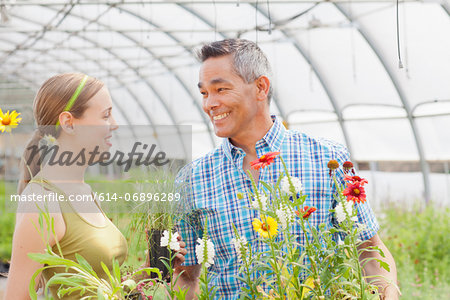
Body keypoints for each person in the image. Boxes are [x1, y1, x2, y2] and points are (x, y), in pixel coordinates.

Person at [174, 39, 398, 299]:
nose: (209, 104)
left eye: (221, 89)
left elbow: (369, 249)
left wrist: (388, 293)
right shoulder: (193, 179)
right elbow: (185, 274)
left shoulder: (327, 159)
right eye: (204, 93)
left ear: (260, 87)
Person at [5, 73, 187, 299]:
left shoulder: (86, 193)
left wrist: (148, 270)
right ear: (69, 123)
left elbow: (105, 292)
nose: (115, 124)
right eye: (106, 115)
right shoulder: (42, 200)